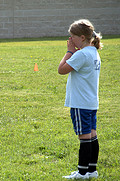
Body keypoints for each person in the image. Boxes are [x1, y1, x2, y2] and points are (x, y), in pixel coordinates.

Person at [58, 19, 102, 179]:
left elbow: (61, 70)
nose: (70, 40)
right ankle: (92, 170)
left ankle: (82, 172)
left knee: (84, 137)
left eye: (72, 37)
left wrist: (69, 51)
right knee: (92, 135)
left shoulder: (82, 54)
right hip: (90, 102)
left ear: (82, 37)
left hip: (80, 103)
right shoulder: (93, 52)